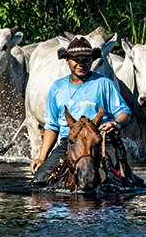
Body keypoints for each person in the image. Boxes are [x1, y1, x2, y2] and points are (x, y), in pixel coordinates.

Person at [30, 36, 132, 184]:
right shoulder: (57, 88)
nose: (81, 64)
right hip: (69, 143)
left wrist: (115, 124)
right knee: (38, 182)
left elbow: (124, 113)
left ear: (92, 61)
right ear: (67, 61)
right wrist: (41, 158)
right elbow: (52, 126)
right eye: (76, 60)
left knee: (116, 183)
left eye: (86, 60)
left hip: (100, 142)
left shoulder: (104, 83)